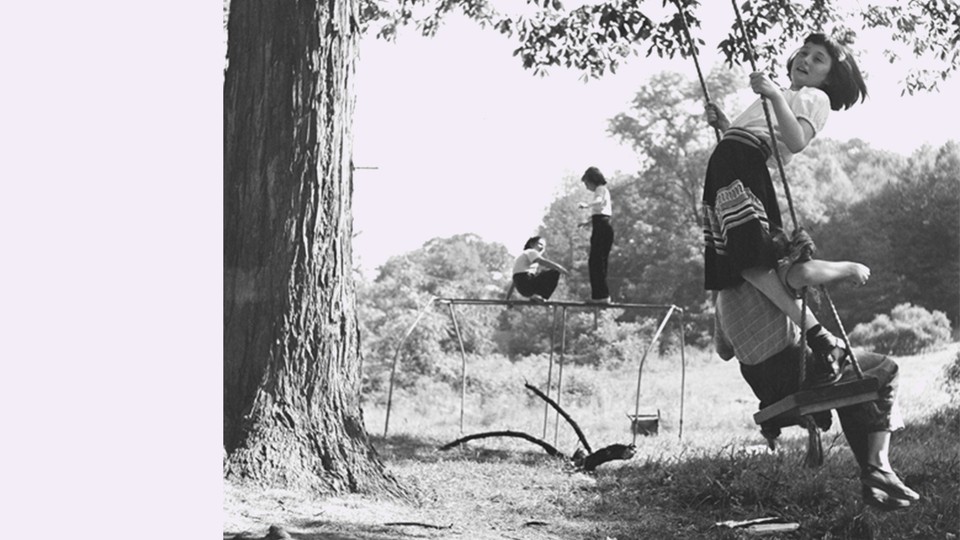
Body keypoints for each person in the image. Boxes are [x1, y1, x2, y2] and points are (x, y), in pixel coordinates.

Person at [701, 33, 869, 386]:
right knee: (744, 263)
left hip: (740, 168)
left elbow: (796, 141)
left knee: (751, 260)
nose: (805, 59)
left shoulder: (814, 97)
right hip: (728, 166)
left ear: (830, 79)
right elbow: (760, 139)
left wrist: (775, 95)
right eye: (804, 52)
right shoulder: (783, 96)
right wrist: (726, 124)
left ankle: (820, 336)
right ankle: (821, 338)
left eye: (818, 59)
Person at [715, 259, 920, 511]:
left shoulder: (722, 295)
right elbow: (802, 273)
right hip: (797, 372)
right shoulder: (765, 271)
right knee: (885, 369)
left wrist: (748, 330)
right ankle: (879, 465)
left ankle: (874, 484)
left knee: (851, 389)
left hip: (765, 386)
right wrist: (850, 269)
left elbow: (723, 351)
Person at [578, 166, 614, 304]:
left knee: (596, 262)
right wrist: (587, 223)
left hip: (602, 228)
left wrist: (586, 205)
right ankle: (600, 295)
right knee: (598, 262)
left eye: (587, 183)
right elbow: (601, 213)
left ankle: (601, 295)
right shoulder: (603, 190)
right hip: (602, 226)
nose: (587, 187)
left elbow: (599, 201)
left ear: (592, 180)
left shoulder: (600, 189)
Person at [505, 236, 569, 302]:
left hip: (523, 290)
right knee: (554, 272)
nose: (542, 247)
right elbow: (541, 261)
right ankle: (542, 297)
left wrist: (507, 299)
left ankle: (536, 297)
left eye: (544, 246)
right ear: (532, 244)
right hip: (527, 283)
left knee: (541, 273)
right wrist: (559, 267)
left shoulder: (523, 259)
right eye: (540, 244)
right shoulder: (531, 251)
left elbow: (514, 282)